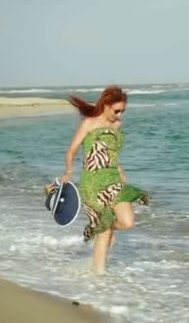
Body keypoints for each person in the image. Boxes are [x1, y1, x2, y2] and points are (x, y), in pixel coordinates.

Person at [61, 85, 149, 274]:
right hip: (92, 182)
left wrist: (120, 170)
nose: (120, 115)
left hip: (114, 178)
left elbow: (112, 153)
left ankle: (102, 227)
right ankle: (98, 277)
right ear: (106, 105)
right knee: (105, 232)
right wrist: (68, 172)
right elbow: (72, 150)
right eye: (117, 110)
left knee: (127, 222)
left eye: (123, 111)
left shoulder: (117, 125)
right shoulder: (89, 123)